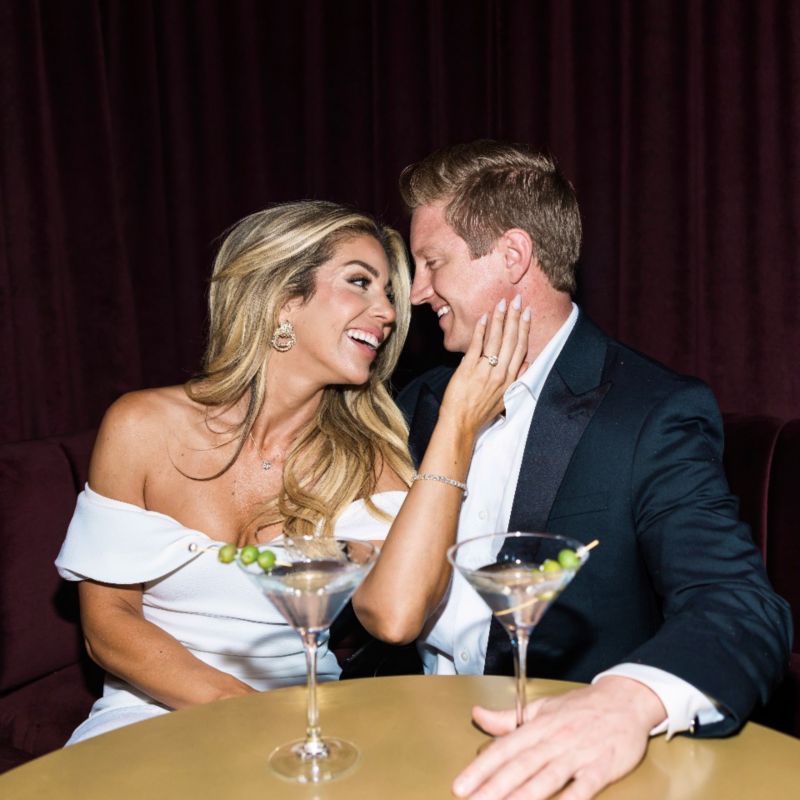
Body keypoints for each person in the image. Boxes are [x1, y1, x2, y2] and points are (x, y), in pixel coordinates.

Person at [391, 141, 793, 800]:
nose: (415, 291)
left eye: (432, 262)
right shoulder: (419, 402)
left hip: (563, 767)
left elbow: (740, 607)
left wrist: (625, 702)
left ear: (513, 255)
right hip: (404, 739)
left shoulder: (651, 412)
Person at [55, 199, 529, 744]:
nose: (389, 312)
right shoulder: (141, 425)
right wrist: (242, 712)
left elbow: (396, 619)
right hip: (148, 715)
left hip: (307, 723)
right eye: (360, 282)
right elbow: (108, 624)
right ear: (283, 297)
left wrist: (457, 426)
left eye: (389, 295)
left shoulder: (367, 460)